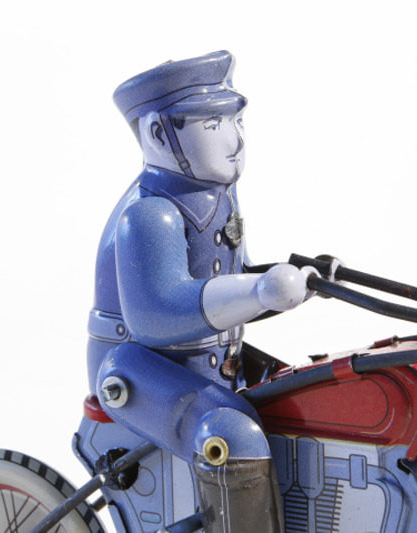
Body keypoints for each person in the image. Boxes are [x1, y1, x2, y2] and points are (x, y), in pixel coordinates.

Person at [88, 50, 314, 533]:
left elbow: (234, 282)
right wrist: (260, 290)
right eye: (213, 125)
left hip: (210, 361)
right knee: (230, 435)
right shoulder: (150, 214)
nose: (235, 140)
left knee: (312, 396)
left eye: (236, 121)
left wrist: (294, 281)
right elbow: (159, 314)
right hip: (138, 367)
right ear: (158, 134)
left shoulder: (217, 199)